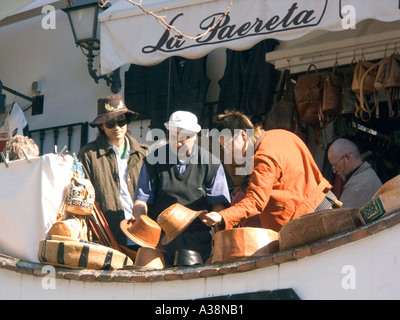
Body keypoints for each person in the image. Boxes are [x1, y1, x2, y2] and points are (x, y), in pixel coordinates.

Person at [200, 110, 337, 232]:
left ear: (242, 136)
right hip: (323, 204)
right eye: (224, 148)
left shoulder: (263, 157)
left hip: (306, 222)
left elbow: (255, 201)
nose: (229, 152)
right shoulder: (280, 134)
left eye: (229, 145)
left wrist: (222, 215)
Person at [132, 111, 231, 266]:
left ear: (195, 137)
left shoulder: (211, 163)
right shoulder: (153, 161)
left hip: (197, 240)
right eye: (173, 137)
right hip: (161, 240)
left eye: (185, 138)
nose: (178, 143)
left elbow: (218, 204)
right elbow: (141, 200)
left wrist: (216, 219)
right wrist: (140, 222)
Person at [78, 95, 148, 247]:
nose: (117, 127)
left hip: (141, 230)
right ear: (102, 126)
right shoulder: (88, 154)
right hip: (108, 233)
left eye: (121, 122)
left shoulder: (143, 153)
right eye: (110, 123)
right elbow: (83, 196)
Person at [327, 138, 382, 208]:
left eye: (335, 165)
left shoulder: (361, 183)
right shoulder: (365, 176)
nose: (334, 171)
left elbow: (342, 217)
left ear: (347, 157)